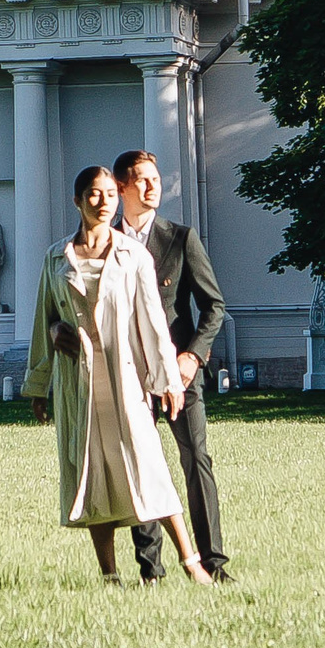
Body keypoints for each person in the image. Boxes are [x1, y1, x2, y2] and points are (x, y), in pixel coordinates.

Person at [21, 165, 214, 584]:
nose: (104, 201)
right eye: (94, 193)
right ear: (77, 200)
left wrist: (168, 381)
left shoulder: (133, 255)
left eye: (110, 193)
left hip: (126, 378)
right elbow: (44, 320)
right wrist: (40, 382)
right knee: (94, 474)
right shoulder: (56, 257)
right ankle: (109, 575)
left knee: (148, 468)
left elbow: (153, 323)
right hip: (79, 381)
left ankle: (192, 564)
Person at [112, 149, 233, 584]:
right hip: (129, 376)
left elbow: (214, 306)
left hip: (180, 374)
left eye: (156, 179)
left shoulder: (181, 239)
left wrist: (193, 356)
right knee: (140, 467)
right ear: (122, 187)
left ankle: (214, 564)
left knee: (196, 458)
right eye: (143, 180)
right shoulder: (106, 243)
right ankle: (151, 571)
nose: (153, 187)